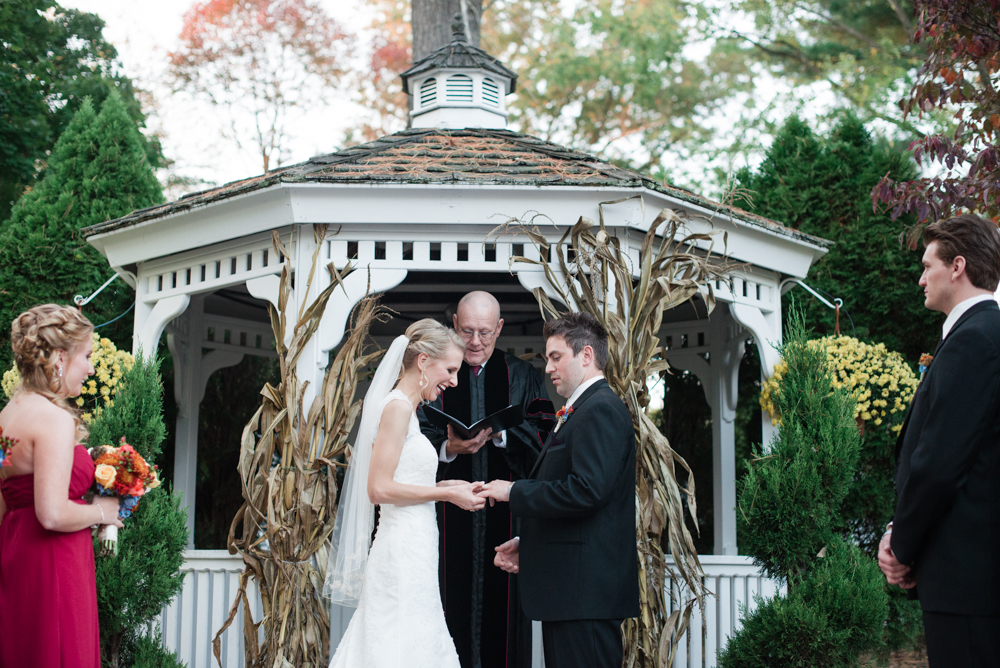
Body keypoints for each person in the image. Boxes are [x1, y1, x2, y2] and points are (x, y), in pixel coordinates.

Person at [478, 311, 639, 668]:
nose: (548, 368)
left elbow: (587, 491)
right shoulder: (581, 409)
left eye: (556, 357)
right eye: (546, 358)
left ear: (586, 356)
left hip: (586, 596)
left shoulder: (600, 409)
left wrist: (514, 491)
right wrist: (531, 544)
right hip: (573, 593)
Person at [326, 318, 487, 668]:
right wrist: (443, 496)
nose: (454, 381)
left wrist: (449, 487)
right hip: (400, 551)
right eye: (450, 369)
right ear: (423, 361)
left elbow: (403, 479)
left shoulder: (409, 412)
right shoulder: (397, 408)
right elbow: (379, 488)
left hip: (417, 546)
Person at [878, 213, 1000, 667]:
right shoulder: (983, 335)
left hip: (967, 582)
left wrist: (901, 545)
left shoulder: (977, 341)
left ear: (957, 267)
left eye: (928, 265)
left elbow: (941, 463)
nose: (920, 278)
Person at [417, 291, 553, 668]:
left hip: (505, 521)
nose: (475, 342)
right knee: (447, 607)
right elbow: (411, 438)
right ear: (454, 327)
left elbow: (546, 438)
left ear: (500, 328)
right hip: (447, 521)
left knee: (504, 621)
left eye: (484, 333)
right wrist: (449, 447)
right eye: (466, 332)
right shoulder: (438, 376)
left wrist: (503, 434)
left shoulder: (522, 376)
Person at [0, 304, 124, 668]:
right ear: (58, 357)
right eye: (85, 356)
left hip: (16, 558)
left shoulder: (5, 419)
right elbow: (51, 513)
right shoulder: (53, 419)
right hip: (55, 563)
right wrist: (104, 512)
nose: (90, 367)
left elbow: (4, 506)